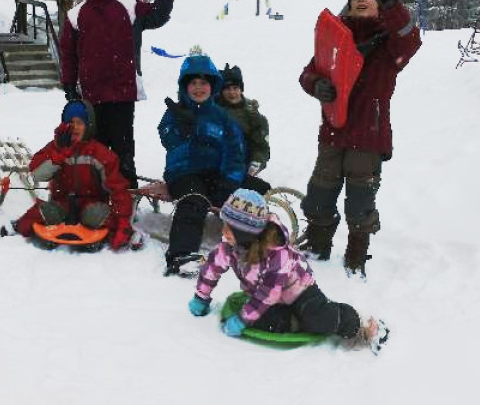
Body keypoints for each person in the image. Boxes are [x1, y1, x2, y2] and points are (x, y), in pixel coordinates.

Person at [298, 0, 422, 277]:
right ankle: (317, 246)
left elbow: (411, 40)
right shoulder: (336, 39)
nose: (361, 0)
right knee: (320, 194)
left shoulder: (390, 44)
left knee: (360, 201)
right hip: (333, 131)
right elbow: (307, 72)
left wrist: (393, 4)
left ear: (378, 5)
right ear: (349, 6)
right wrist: (316, 85)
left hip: (368, 135)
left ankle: (355, 256)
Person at [188, 188, 389, 354]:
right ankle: (291, 320)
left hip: (299, 291)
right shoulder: (229, 248)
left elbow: (268, 293)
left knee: (318, 318)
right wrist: (201, 297)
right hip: (269, 298)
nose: (223, 232)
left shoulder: (277, 255)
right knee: (263, 320)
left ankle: (359, 323)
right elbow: (211, 269)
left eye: (228, 228)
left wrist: (242, 319)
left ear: (245, 233)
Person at [60, 0, 176, 189]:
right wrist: (69, 86)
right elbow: (68, 55)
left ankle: (126, 191)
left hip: (123, 92)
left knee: (123, 147)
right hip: (91, 95)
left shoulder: (130, 7)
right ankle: (95, 191)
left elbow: (159, 17)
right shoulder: (75, 15)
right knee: (95, 145)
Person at [158, 48, 246, 276]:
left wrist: (230, 179)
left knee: (245, 197)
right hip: (184, 172)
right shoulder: (175, 112)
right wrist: (184, 130)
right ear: (185, 86)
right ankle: (181, 254)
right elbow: (167, 138)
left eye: (204, 83)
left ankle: (254, 245)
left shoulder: (221, 116)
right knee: (194, 200)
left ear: (213, 86)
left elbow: (234, 150)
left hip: (215, 174)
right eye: (194, 83)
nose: (199, 88)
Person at [9, 99, 134, 251]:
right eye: (71, 123)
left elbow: (118, 189)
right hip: (63, 202)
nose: (74, 127)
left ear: (88, 126)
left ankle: (130, 234)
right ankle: (18, 226)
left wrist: (122, 222)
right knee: (44, 211)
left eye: (80, 123)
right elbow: (37, 174)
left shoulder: (100, 153)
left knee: (99, 215)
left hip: (91, 204)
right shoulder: (55, 148)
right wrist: (59, 153)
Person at [216, 63, 271, 196]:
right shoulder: (214, 110)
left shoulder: (253, 115)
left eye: (235, 88)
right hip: (216, 164)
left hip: (241, 165)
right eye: (227, 89)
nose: (232, 93)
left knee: (261, 189)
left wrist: (256, 162)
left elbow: (261, 147)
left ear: (241, 89)